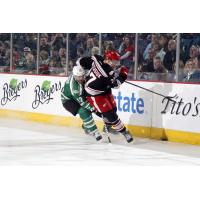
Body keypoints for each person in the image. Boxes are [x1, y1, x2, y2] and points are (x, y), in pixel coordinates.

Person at [77, 50, 133, 143]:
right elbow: (115, 84)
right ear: (108, 60)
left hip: (104, 89)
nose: (116, 64)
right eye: (115, 61)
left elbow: (81, 61)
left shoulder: (97, 58)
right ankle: (125, 132)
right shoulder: (107, 73)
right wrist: (123, 75)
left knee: (113, 109)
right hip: (94, 94)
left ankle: (107, 126)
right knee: (110, 115)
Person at [61, 65, 102, 141]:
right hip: (68, 101)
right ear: (74, 76)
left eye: (82, 76)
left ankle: (87, 127)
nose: (81, 78)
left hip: (78, 95)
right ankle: (94, 131)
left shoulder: (82, 74)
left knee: (89, 107)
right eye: (78, 77)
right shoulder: (74, 87)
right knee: (83, 111)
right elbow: (83, 103)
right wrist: (95, 110)